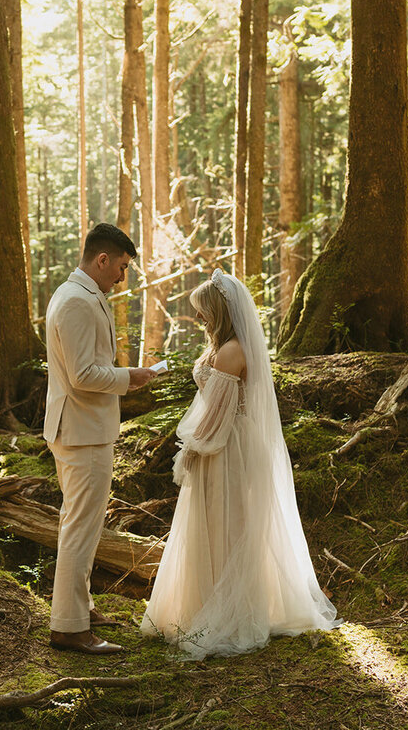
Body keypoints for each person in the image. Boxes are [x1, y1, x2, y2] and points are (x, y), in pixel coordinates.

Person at [141, 269, 339, 659]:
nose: (199, 318)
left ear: (219, 311)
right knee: (215, 523)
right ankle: (202, 603)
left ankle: (231, 611)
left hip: (229, 447)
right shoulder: (221, 346)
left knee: (229, 524)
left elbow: (217, 413)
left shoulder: (232, 351)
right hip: (220, 442)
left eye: (203, 311)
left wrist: (194, 447)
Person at [43, 223, 157, 655]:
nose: (123, 277)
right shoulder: (75, 301)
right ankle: (70, 629)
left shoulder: (84, 295)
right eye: (122, 267)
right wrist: (132, 377)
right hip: (80, 431)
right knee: (80, 528)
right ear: (101, 259)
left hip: (82, 427)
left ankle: (80, 608)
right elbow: (83, 375)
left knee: (81, 525)